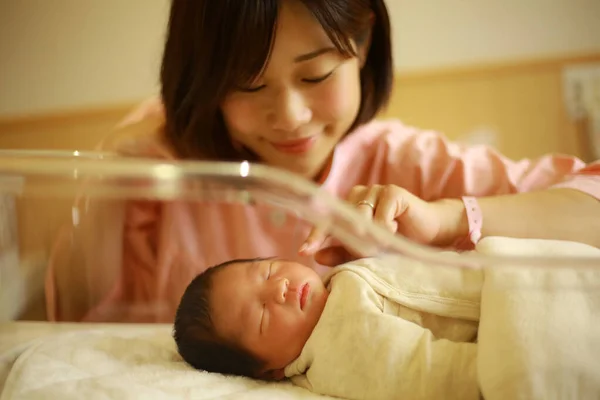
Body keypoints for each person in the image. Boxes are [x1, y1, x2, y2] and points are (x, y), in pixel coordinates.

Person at [45, 0, 600, 323]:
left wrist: (450, 218)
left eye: (316, 76)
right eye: (248, 85)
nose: (289, 115)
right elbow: (76, 320)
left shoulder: (407, 162)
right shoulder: (166, 178)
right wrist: (113, 170)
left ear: (362, 48)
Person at [173, 254, 482, 400]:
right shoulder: (340, 348)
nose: (278, 288)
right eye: (262, 316)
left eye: (268, 271)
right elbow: (430, 372)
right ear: (271, 371)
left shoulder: (336, 281)